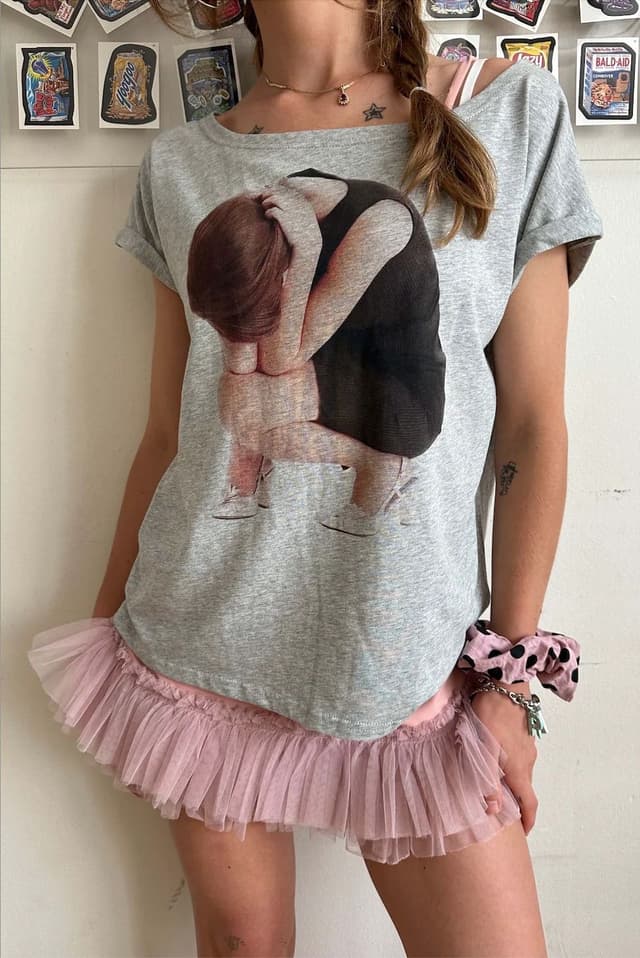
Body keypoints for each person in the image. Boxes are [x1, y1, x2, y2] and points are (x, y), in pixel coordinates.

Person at [27, 1, 603, 956]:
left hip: (406, 664)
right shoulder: (182, 163)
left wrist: (511, 680)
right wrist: (107, 635)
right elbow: (170, 434)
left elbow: (533, 428)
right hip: (201, 649)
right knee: (242, 945)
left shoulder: (505, 112)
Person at [186, 168, 445, 533]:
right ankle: (246, 478)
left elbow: (279, 360)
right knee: (239, 400)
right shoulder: (267, 220)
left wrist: (307, 254)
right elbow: (244, 362)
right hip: (330, 361)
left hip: (400, 395)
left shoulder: (381, 223)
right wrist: (241, 327)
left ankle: (379, 464)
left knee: (242, 406)